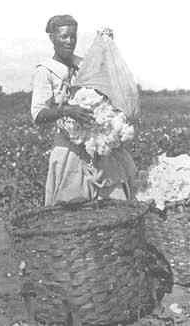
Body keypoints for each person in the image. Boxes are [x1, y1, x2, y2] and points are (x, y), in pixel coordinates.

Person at [31, 15, 136, 206]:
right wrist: (66, 110)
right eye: (64, 36)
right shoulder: (45, 71)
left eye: (73, 36)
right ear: (52, 38)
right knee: (72, 207)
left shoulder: (85, 65)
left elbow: (107, 86)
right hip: (69, 150)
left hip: (100, 146)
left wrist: (105, 46)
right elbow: (38, 114)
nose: (69, 41)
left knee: (114, 204)